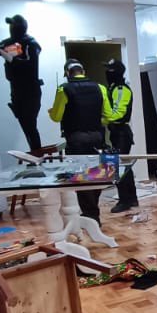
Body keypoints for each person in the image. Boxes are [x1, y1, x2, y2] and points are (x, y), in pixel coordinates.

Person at [48, 60, 114, 223]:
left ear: (67, 73)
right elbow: (108, 116)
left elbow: (56, 117)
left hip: (76, 140)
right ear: (83, 71)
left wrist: (51, 112)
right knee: (97, 174)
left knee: (81, 177)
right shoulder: (100, 88)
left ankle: (90, 214)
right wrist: (94, 121)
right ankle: (93, 211)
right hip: (97, 138)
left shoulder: (64, 89)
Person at [0, 14, 44, 153]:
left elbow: (31, 64)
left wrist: (12, 60)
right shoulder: (12, 43)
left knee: (29, 126)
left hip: (30, 91)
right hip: (17, 90)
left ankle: (37, 153)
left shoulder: (30, 43)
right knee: (27, 125)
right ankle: (36, 153)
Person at [104, 59, 138, 213]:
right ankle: (131, 198)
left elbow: (118, 114)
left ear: (115, 72)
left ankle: (125, 201)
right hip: (116, 132)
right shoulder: (113, 87)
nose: (106, 73)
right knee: (123, 166)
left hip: (121, 133)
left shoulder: (121, 89)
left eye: (109, 70)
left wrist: (101, 120)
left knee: (118, 167)